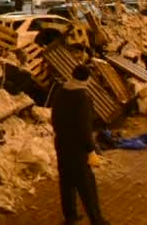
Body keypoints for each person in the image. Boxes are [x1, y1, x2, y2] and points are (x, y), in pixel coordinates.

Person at [51, 65, 109, 225]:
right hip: (77, 148)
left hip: (61, 143)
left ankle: (70, 216)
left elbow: (54, 118)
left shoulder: (61, 91)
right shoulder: (82, 96)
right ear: (87, 79)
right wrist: (91, 149)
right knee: (87, 186)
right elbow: (84, 127)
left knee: (66, 181)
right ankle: (96, 220)